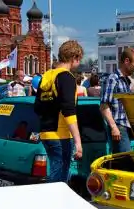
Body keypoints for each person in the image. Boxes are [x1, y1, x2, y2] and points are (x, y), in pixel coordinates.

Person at [34, 39, 84, 183]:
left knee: (55, 171)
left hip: (45, 133)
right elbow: (69, 112)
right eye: (79, 60)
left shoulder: (46, 77)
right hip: (61, 134)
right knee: (60, 178)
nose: (79, 63)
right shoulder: (66, 78)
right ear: (74, 58)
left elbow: (37, 107)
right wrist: (78, 142)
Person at [100, 47, 134, 153]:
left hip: (125, 126)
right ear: (126, 61)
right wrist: (114, 127)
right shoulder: (113, 79)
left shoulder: (126, 80)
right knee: (125, 159)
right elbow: (104, 106)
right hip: (119, 126)